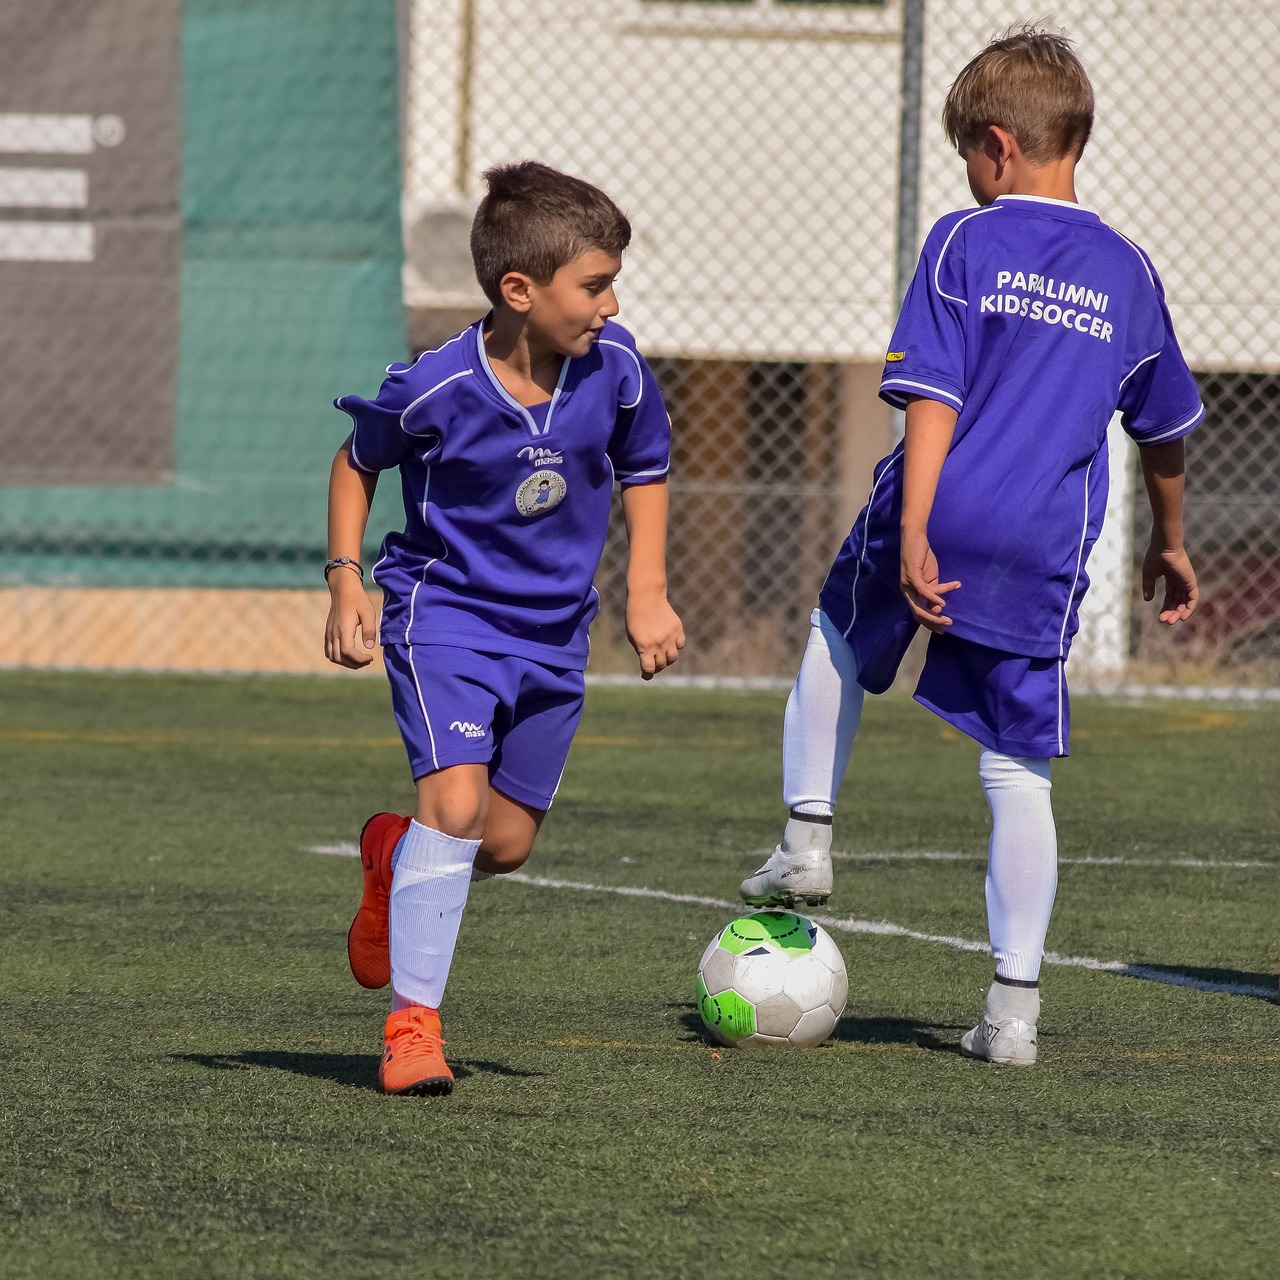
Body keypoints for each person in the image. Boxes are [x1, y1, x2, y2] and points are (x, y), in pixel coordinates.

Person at [739, 27, 1203, 1066]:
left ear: (996, 145)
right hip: (1039, 546)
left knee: (833, 630)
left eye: (965, 154)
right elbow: (1163, 425)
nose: (966, 173)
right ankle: (1011, 1016)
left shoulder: (962, 238)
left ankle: (806, 840)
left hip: (940, 509)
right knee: (1016, 769)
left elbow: (931, 396)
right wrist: (1168, 540)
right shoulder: (1128, 272)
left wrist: (911, 530)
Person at [325, 161, 684, 1096]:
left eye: (613, 284)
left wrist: (647, 592)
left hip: (556, 635)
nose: (611, 304)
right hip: (442, 616)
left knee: (507, 842)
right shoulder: (435, 386)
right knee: (454, 807)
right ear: (520, 291)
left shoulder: (619, 371)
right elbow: (357, 462)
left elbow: (645, 468)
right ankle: (412, 1030)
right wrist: (345, 582)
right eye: (595, 285)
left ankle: (393, 861)